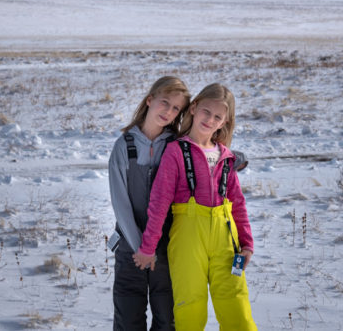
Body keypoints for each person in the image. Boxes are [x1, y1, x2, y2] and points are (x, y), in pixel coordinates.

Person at [133, 83, 257, 331]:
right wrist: (148, 247)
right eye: (206, 112)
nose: (210, 120)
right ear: (194, 108)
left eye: (218, 117)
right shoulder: (176, 151)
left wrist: (247, 243)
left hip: (225, 239)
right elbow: (159, 203)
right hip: (188, 239)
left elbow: (238, 205)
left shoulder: (226, 156)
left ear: (224, 122)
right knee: (190, 308)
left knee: (237, 308)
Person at [109, 75, 191, 331]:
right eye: (165, 102)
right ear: (149, 100)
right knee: (128, 318)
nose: (169, 111)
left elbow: (208, 152)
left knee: (168, 319)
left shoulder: (178, 146)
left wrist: (234, 158)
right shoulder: (124, 146)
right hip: (130, 249)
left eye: (176, 108)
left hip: (167, 247)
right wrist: (141, 249)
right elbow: (120, 203)